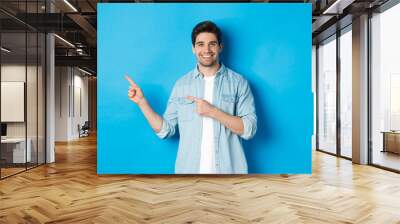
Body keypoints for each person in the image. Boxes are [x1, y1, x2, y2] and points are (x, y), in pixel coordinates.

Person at [125, 20, 257, 174]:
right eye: (200, 44)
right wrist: (142, 102)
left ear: (220, 47)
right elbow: (165, 130)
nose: (206, 49)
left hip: (230, 174)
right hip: (189, 174)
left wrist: (213, 112)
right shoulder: (181, 85)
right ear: (193, 48)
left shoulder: (239, 83)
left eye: (212, 44)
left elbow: (249, 129)